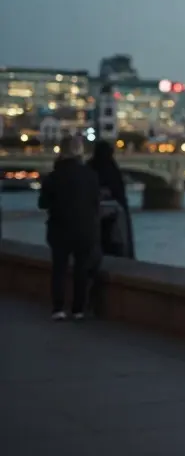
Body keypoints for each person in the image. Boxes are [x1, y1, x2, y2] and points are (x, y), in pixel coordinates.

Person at [39, 135, 102, 321]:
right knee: (81, 268)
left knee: (59, 268)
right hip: (85, 229)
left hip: (59, 228)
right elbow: (95, 202)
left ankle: (58, 308)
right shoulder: (91, 175)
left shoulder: (53, 176)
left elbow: (42, 203)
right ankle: (78, 309)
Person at [89, 140, 135, 258]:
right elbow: (120, 195)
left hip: (92, 220)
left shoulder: (89, 167)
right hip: (114, 225)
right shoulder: (113, 169)